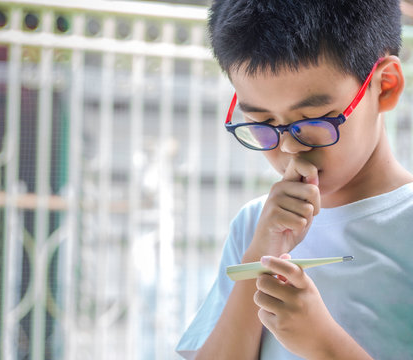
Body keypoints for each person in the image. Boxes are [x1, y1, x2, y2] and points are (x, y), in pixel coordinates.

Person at [176, 0, 413, 359]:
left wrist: (321, 342)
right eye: (263, 123)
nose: (288, 146)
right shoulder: (254, 225)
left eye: (312, 119)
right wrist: (260, 253)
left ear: (385, 86)